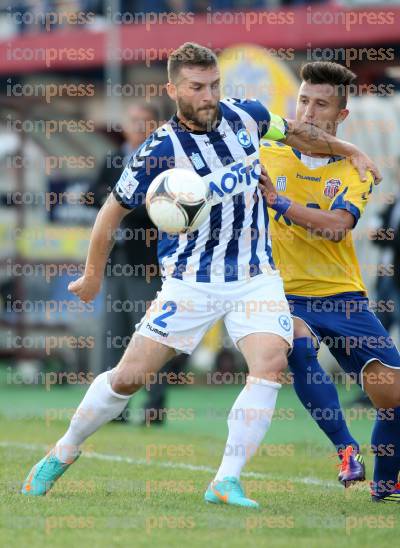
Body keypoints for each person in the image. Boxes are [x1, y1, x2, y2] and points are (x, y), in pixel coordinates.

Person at [21, 43, 379, 508]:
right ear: (173, 89)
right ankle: (63, 450)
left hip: (256, 274)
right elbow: (111, 211)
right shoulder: (160, 149)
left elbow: (298, 135)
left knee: (270, 363)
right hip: (192, 280)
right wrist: (91, 277)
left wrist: (349, 148)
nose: (208, 96)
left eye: (214, 85)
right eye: (197, 87)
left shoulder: (246, 115)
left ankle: (225, 480)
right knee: (129, 377)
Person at [260, 61, 400, 503]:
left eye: (320, 104)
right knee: (298, 348)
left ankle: (387, 483)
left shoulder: (355, 168)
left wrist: (278, 201)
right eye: (303, 100)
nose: (307, 112)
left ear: (341, 116)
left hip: (342, 295)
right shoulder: (264, 149)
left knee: (393, 397)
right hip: (280, 291)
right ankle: (346, 449)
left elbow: (336, 226)